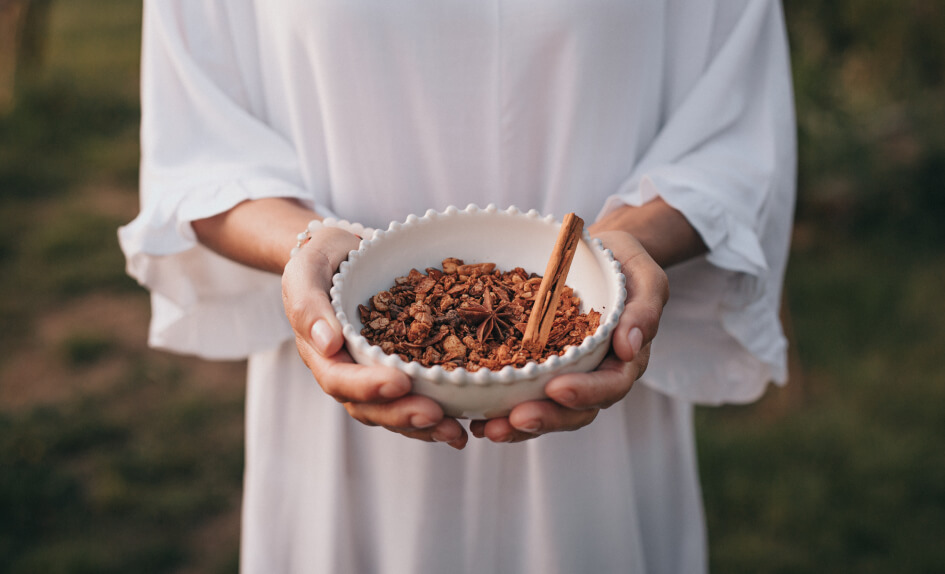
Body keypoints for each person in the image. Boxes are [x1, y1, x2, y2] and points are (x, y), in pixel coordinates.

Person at [119, 1, 796, 572]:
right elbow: (198, 151)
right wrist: (306, 247)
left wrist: (624, 249)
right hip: (335, 399)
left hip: (599, 365)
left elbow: (734, 136)